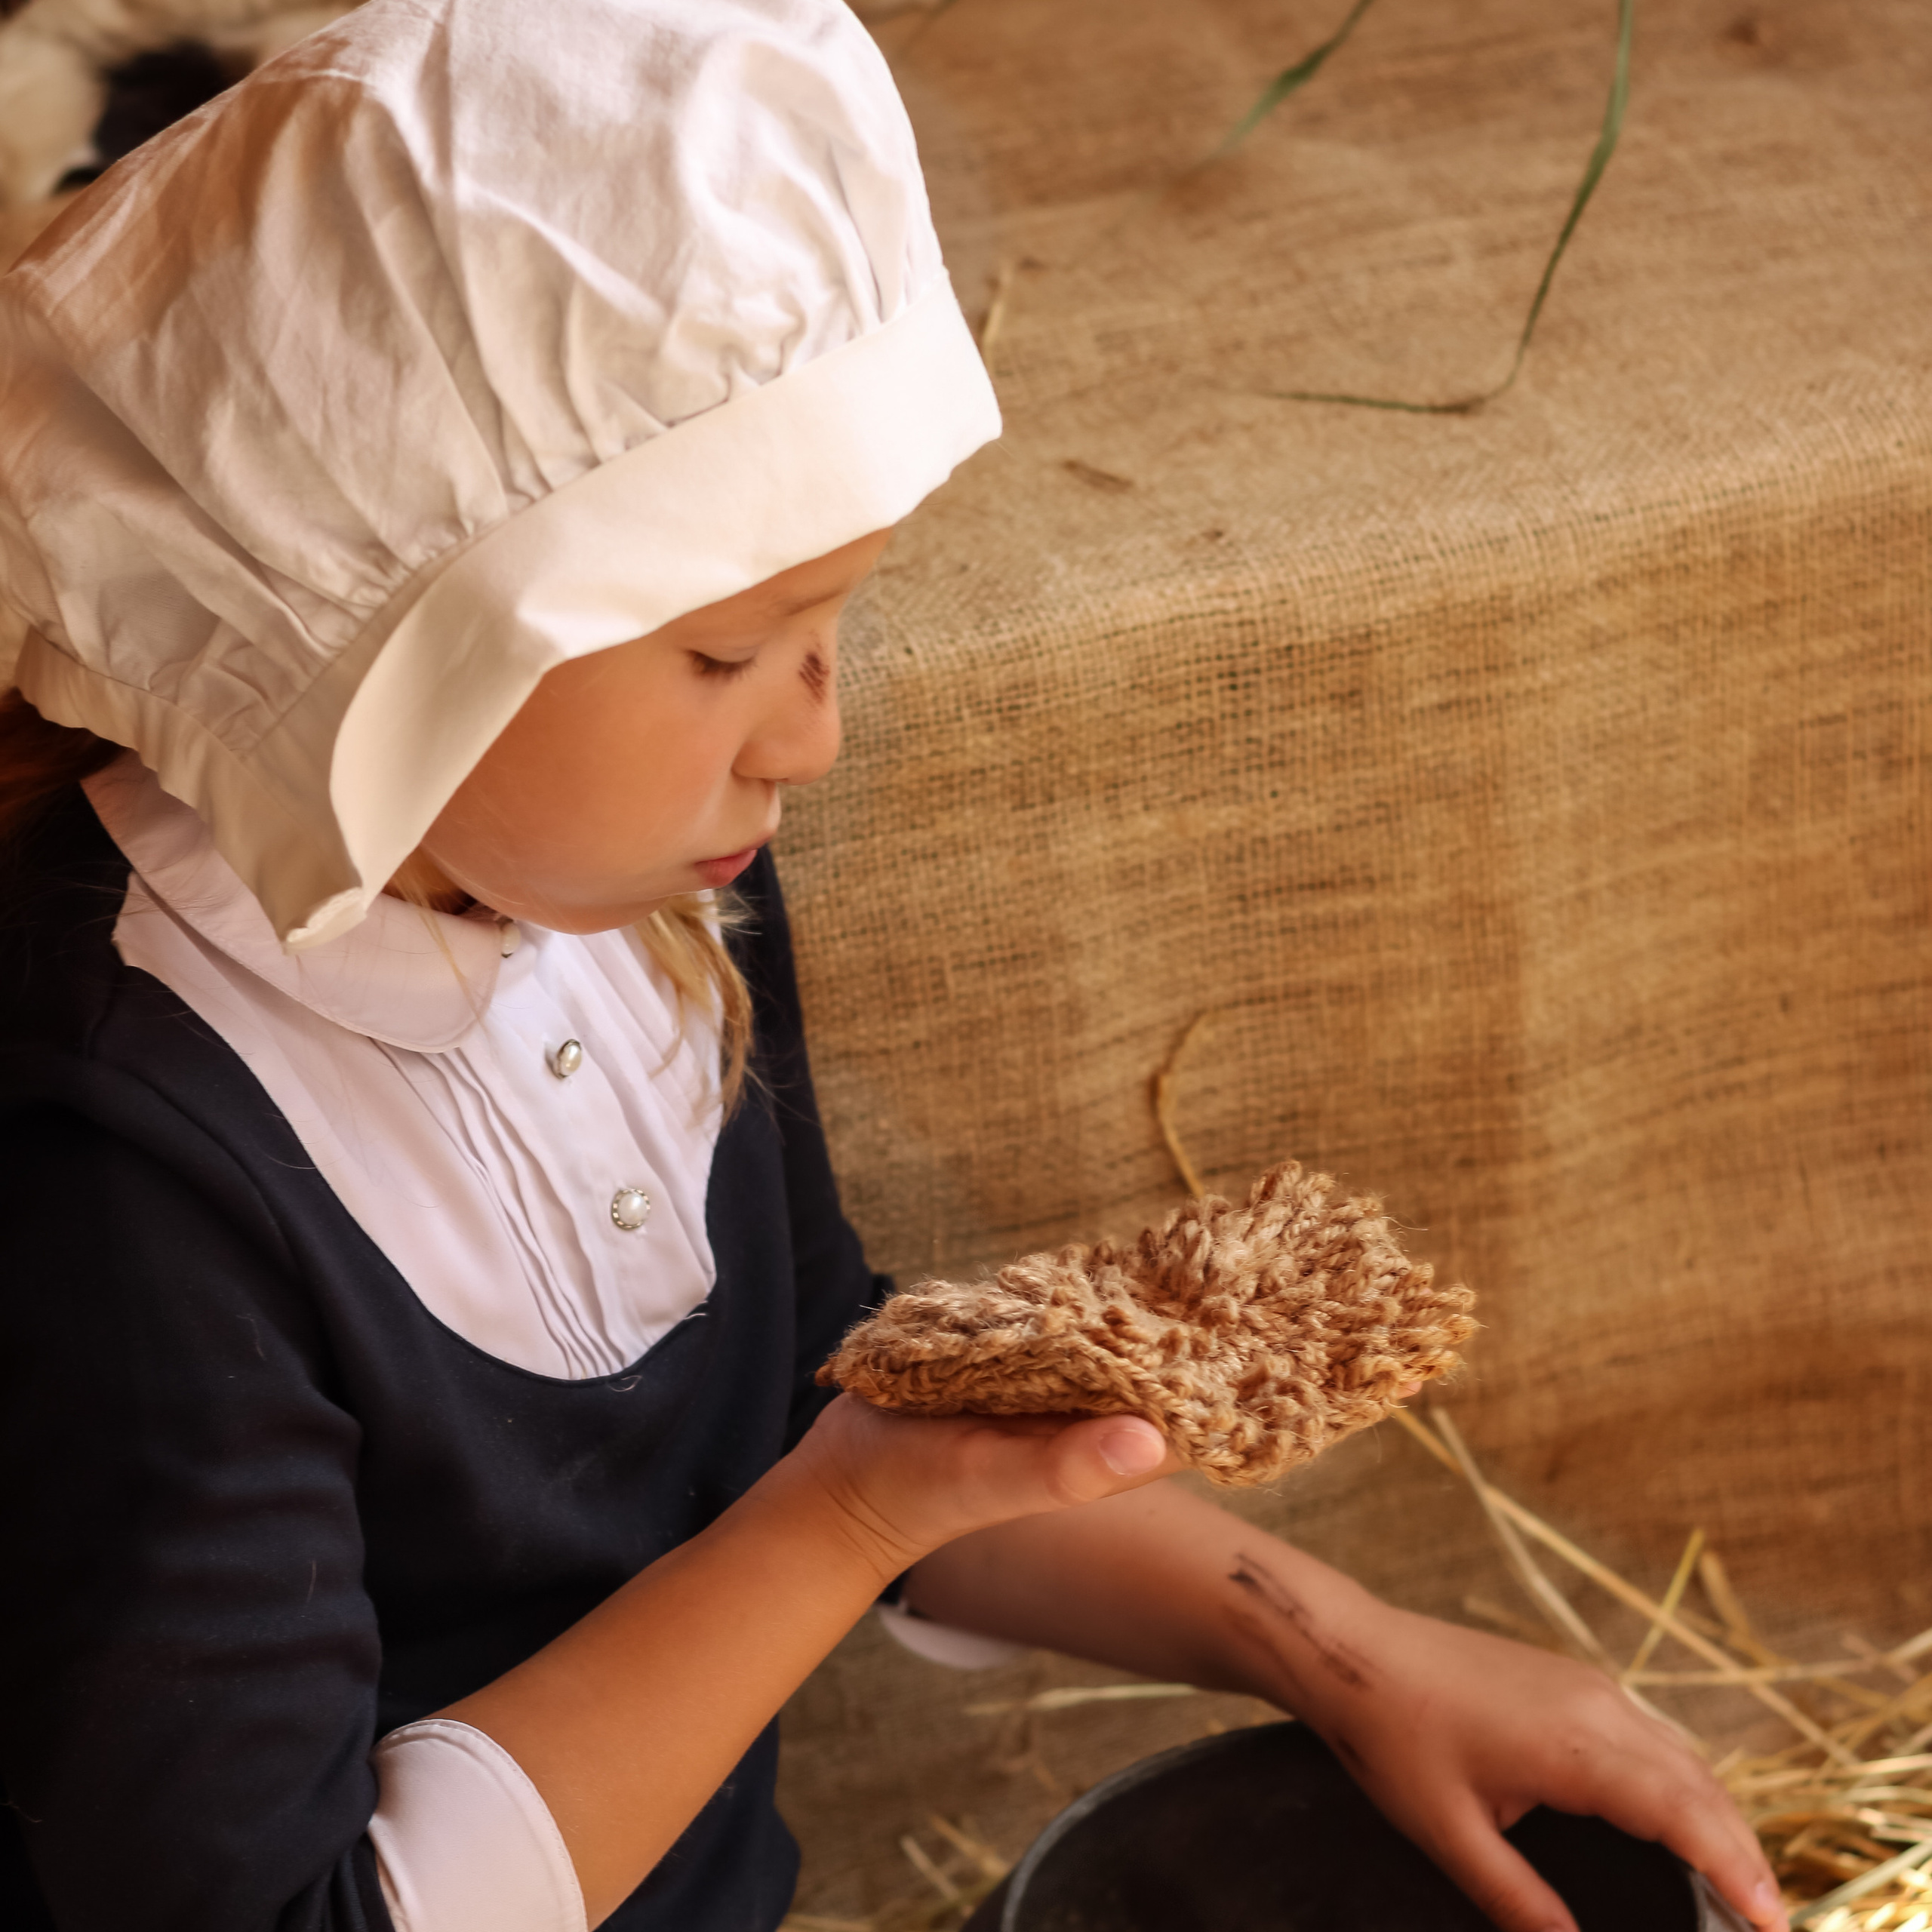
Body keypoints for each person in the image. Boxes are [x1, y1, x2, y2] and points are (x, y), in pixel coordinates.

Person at [0, 3, 1786, 1930]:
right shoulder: (119, 1171)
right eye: (728, 652)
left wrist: (1340, 1652)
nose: (810, 735)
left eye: (831, 624)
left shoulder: (642, 890)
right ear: (387, 638)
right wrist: (848, 1510)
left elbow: (817, 1400)